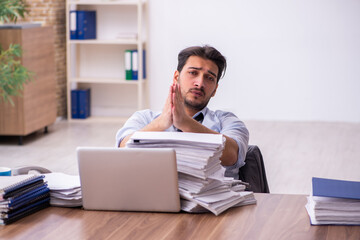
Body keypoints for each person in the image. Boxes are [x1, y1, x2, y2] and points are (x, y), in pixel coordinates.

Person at [116, 45, 249, 179]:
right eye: (193, 73)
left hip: (211, 198)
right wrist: (161, 123)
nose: (200, 82)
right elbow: (122, 150)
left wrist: (186, 123)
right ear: (176, 77)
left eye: (209, 78)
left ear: (215, 89)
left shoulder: (227, 120)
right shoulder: (144, 118)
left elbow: (233, 155)